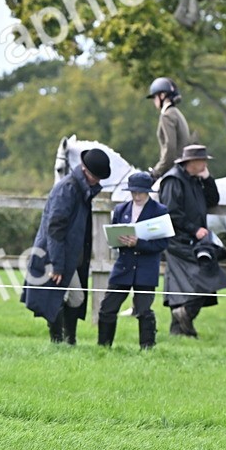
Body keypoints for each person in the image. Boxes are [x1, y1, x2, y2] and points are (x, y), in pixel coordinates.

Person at [22, 148, 111, 344]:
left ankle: (68, 341)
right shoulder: (67, 189)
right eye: (96, 176)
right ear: (85, 170)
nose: (98, 181)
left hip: (68, 255)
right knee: (59, 296)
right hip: (54, 254)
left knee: (75, 298)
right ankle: (59, 341)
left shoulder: (81, 189)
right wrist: (57, 264)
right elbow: (55, 228)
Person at [159, 144, 226, 337]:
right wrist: (194, 229)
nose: (205, 163)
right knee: (204, 275)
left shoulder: (196, 179)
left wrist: (208, 179)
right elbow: (171, 212)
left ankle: (179, 330)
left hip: (192, 240)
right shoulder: (173, 180)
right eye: (202, 160)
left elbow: (213, 200)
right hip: (177, 241)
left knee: (186, 282)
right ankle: (185, 316)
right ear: (191, 162)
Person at [97, 171, 171, 350]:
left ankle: (147, 348)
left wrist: (139, 243)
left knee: (144, 310)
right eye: (134, 192)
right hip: (124, 266)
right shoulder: (121, 210)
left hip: (146, 268)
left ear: (147, 192)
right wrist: (119, 241)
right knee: (107, 307)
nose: (137, 196)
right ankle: (103, 347)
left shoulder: (159, 211)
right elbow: (113, 238)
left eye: (141, 193)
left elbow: (163, 244)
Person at [146, 77, 192, 180]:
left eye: (155, 97)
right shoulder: (176, 113)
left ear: (162, 95)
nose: (154, 101)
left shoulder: (167, 115)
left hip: (173, 170)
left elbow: (170, 147)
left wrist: (156, 171)